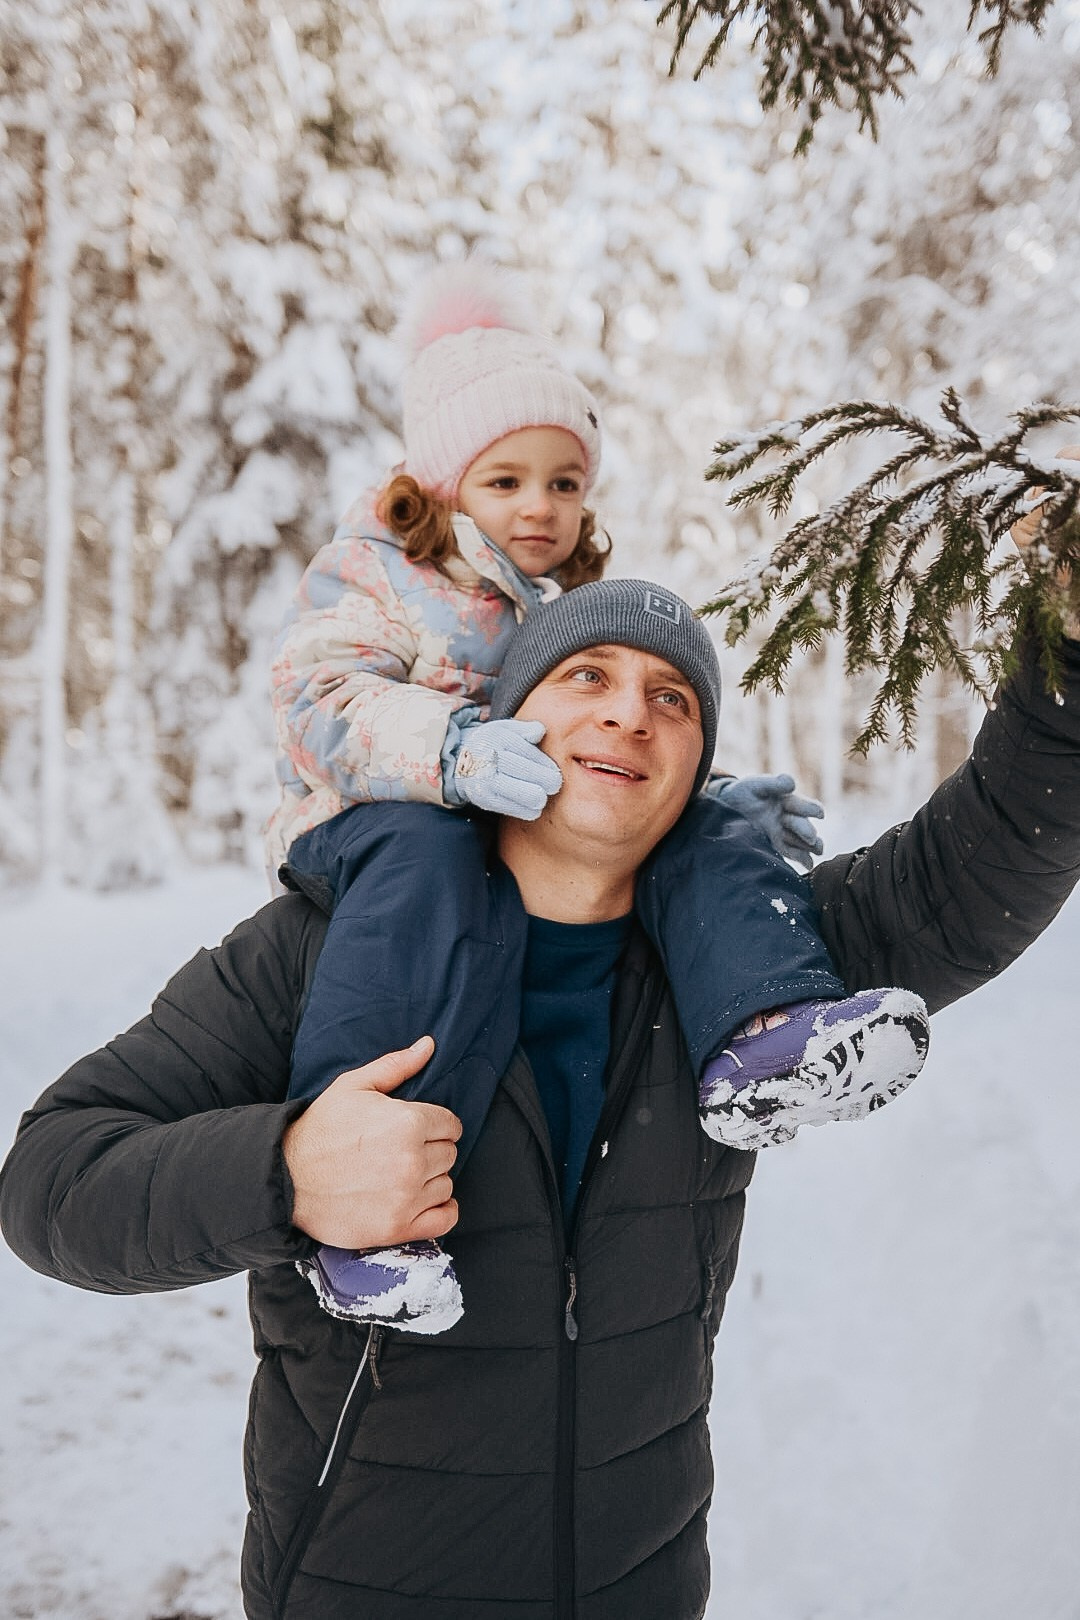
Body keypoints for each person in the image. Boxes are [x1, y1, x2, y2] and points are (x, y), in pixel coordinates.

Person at [3, 565, 1079, 1620]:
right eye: (588, 677)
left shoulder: (750, 970)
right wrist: (286, 1173)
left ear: (698, 768)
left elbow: (979, 866)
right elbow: (55, 1177)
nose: (630, 715)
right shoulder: (328, 950)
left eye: (673, 699)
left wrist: (1066, 651)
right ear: (508, 723)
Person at [266, 261, 927, 1332]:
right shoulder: (381, 571)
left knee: (687, 833)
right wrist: (452, 750)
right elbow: (314, 700)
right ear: (441, 483)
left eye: (565, 483)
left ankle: (761, 1033)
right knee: (426, 863)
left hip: (497, 821)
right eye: (506, 479)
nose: (541, 506)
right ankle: (363, 1205)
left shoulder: (553, 600)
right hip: (369, 819)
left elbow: (598, 738)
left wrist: (707, 799)